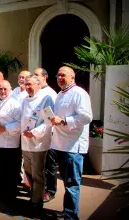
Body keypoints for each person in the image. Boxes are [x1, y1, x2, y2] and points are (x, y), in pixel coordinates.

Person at [50, 66, 92, 219]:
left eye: (63, 75)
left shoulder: (79, 93)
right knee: (67, 184)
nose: (60, 78)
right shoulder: (60, 94)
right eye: (58, 75)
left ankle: (71, 216)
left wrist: (64, 121)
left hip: (73, 147)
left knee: (72, 184)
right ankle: (68, 211)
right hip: (61, 144)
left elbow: (87, 117)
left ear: (72, 77)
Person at [21, 75, 54, 216]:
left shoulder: (46, 99)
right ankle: (34, 197)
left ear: (39, 84)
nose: (27, 87)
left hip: (38, 143)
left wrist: (34, 132)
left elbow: (49, 122)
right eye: (26, 84)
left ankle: (36, 203)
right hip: (26, 143)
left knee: (37, 175)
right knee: (28, 172)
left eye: (30, 84)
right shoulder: (24, 100)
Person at [0, 80, 22, 202]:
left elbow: (20, 124)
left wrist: (6, 128)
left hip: (10, 143)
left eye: (5, 89)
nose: (2, 91)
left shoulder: (15, 105)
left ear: (10, 90)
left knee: (10, 172)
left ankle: (10, 196)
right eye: (0, 89)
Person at [33, 67, 58, 203]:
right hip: (35, 135)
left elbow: (50, 118)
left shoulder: (50, 94)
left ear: (45, 77)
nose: (35, 76)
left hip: (49, 134)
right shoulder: (36, 92)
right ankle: (39, 189)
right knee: (38, 165)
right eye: (33, 74)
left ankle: (50, 191)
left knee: (49, 165)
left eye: (37, 75)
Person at [11, 70, 31, 186]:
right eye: (20, 77)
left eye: (24, 77)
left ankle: (27, 181)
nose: (21, 79)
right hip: (14, 128)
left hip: (26, 129)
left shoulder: (29, 93)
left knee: (26, 157)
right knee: (16, 155)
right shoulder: (15, 91)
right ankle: (17, 178)